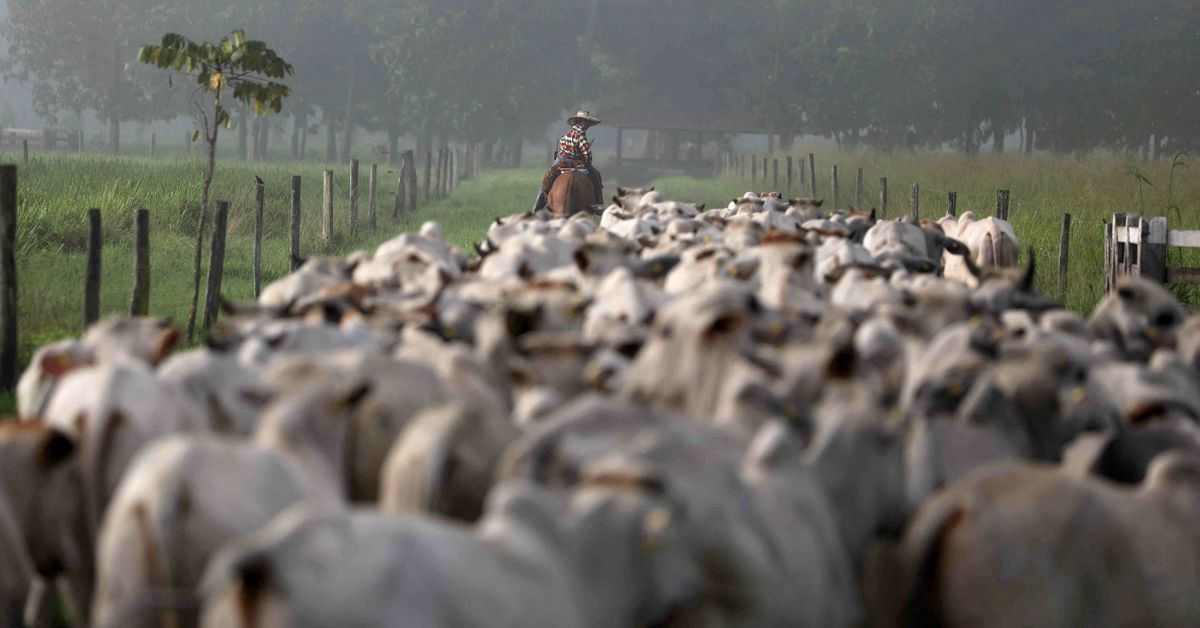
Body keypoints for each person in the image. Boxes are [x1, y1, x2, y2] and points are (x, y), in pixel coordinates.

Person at [533, 110, 604, 211]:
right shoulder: (581, 134)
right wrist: (588, 160)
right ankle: (598, 204)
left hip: (561, 161)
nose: (588, 125)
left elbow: (562, 148)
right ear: (582, 122)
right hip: (577, 162)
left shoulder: (567, 134)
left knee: (547, 179)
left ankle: (537, 206)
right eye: (587, 122)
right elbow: (587, 153)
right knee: (595, 176)